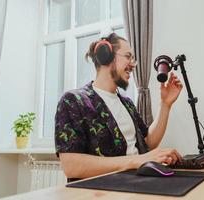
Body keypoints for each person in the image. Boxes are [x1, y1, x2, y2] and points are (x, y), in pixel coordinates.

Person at [55, 33, 184, 181]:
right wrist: (137, 160)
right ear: (106, 57)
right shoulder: (73, 101)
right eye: (128, 56)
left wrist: (165, 105)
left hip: (138, 181)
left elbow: (148, 142)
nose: (133, 64)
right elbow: (72, 167)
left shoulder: (127, 103)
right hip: (106, 190)